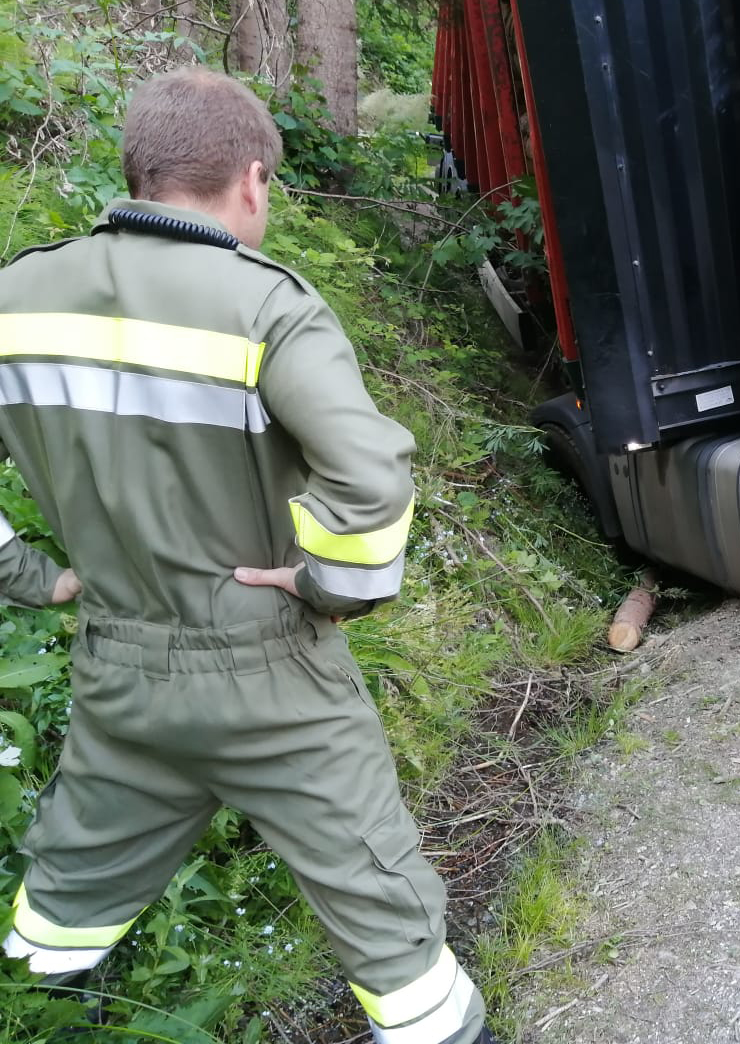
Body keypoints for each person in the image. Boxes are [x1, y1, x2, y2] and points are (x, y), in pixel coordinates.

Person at [0, 68, 493, 1044]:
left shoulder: (18, 297)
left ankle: (45, 1015)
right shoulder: (265, 309)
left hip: (118, 672)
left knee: (70, 886)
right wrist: (329, 587)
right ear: (253, 181)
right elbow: (370, 476)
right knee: (382, 909)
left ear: (137, 168)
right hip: (271, 675)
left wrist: (31, 578)